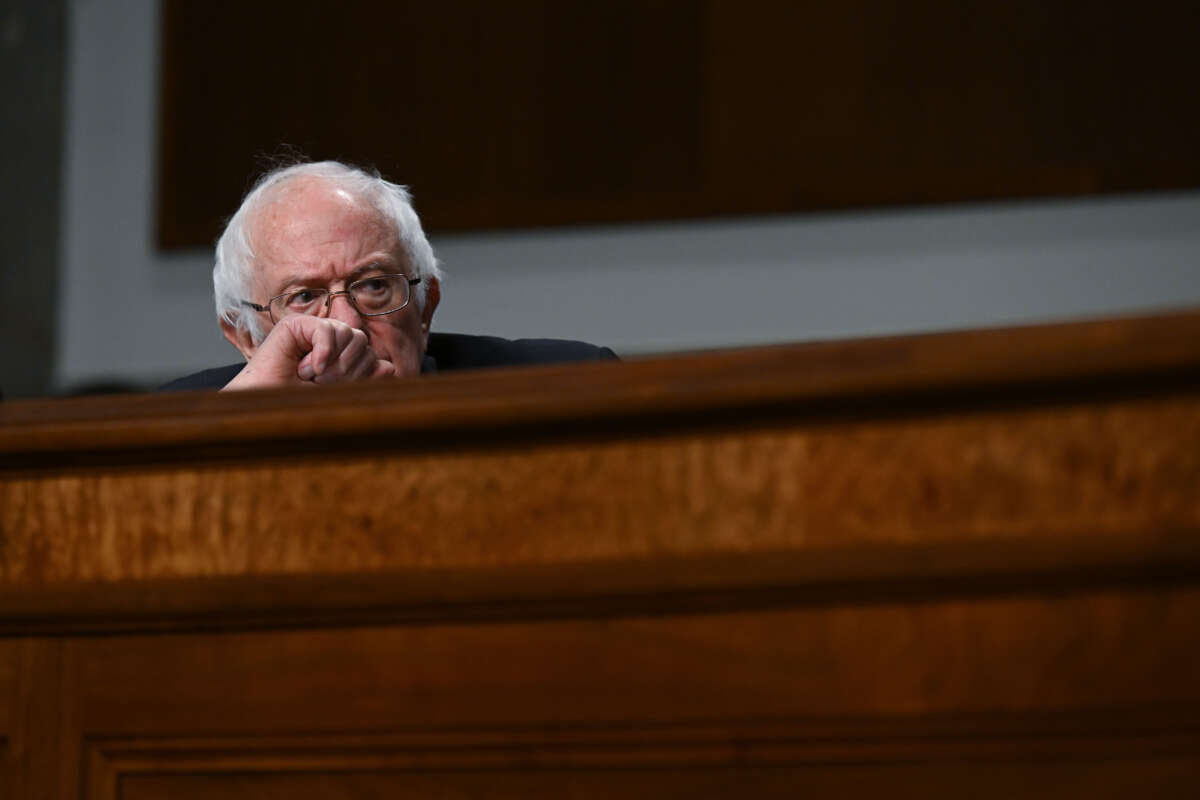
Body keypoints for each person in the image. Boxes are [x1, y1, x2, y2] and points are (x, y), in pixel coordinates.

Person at [162, 161, 615, 392]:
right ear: (244, 336)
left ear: (425, 308)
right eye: (302, 296)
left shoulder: (566, 386)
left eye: (374, 286)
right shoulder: (163, 433)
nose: (346, 326)